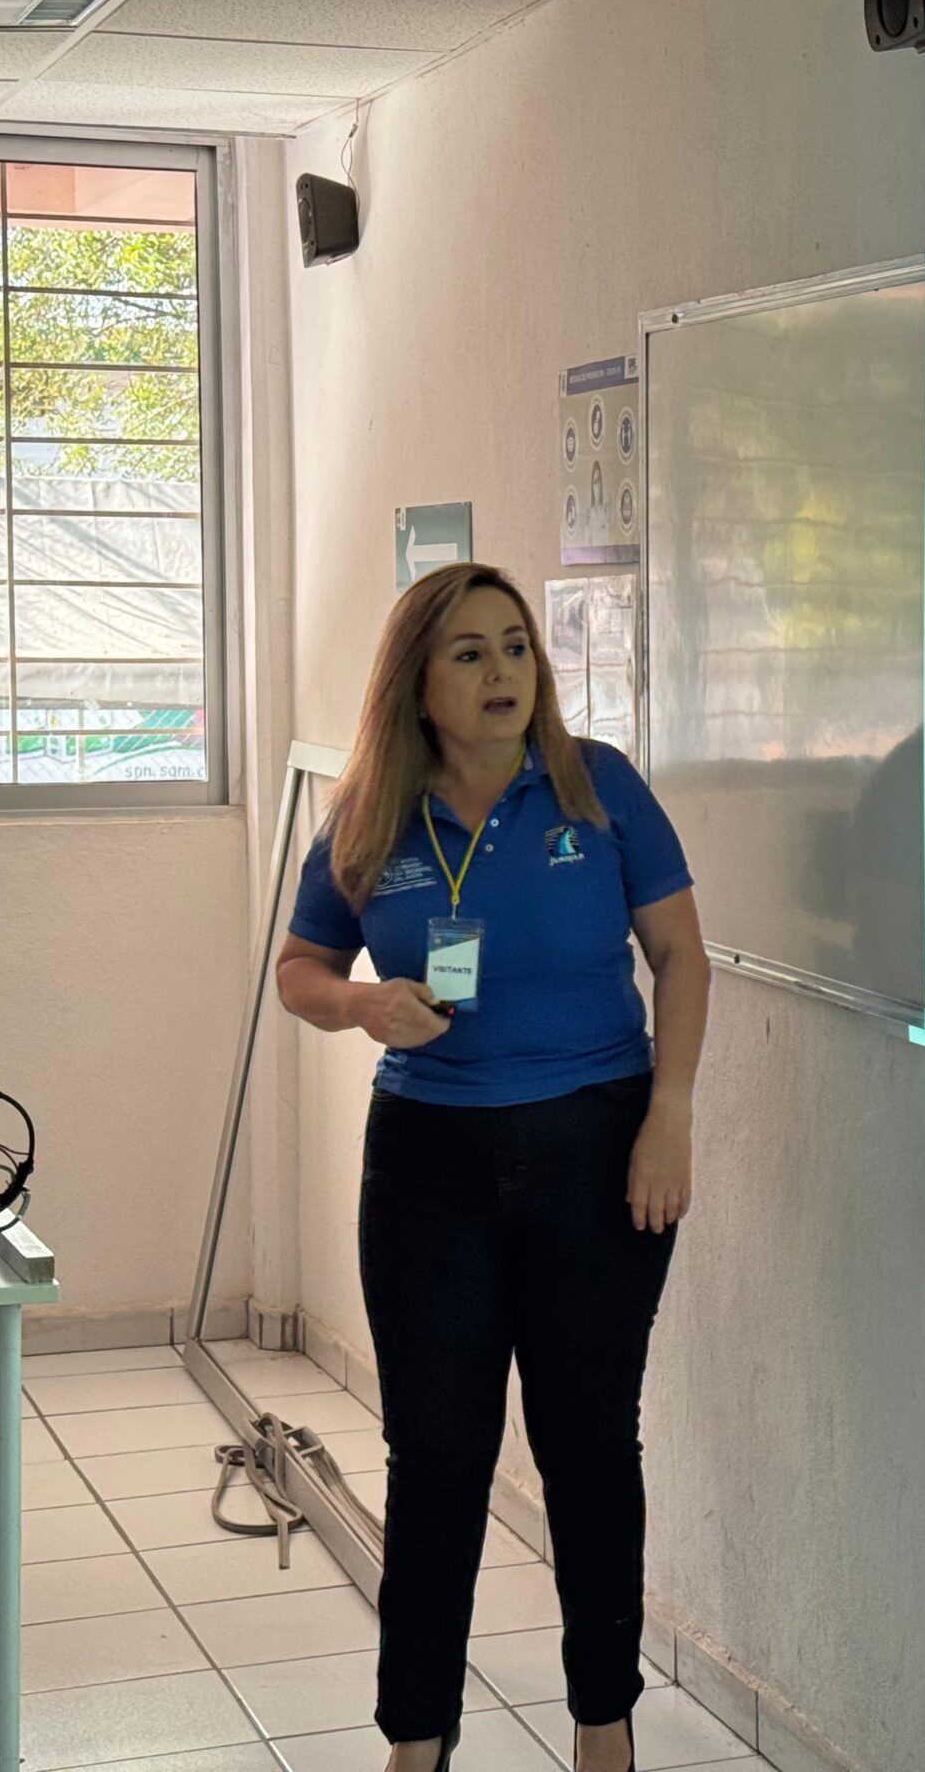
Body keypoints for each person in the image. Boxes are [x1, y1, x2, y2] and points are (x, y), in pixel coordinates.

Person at [275, 563, 708, 1772]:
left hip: (597, 1152)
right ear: (416, 682)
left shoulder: (597, 787)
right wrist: (363, 1006)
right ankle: (417, 1742)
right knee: (438, 1460)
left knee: (588, 1449)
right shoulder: (370, 814)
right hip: (430, 1164)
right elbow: (301, 970)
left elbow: (680, 956)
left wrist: (669, 1114)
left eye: (515, 646)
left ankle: (604, 1729)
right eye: (468, 653)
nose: (502, 672)